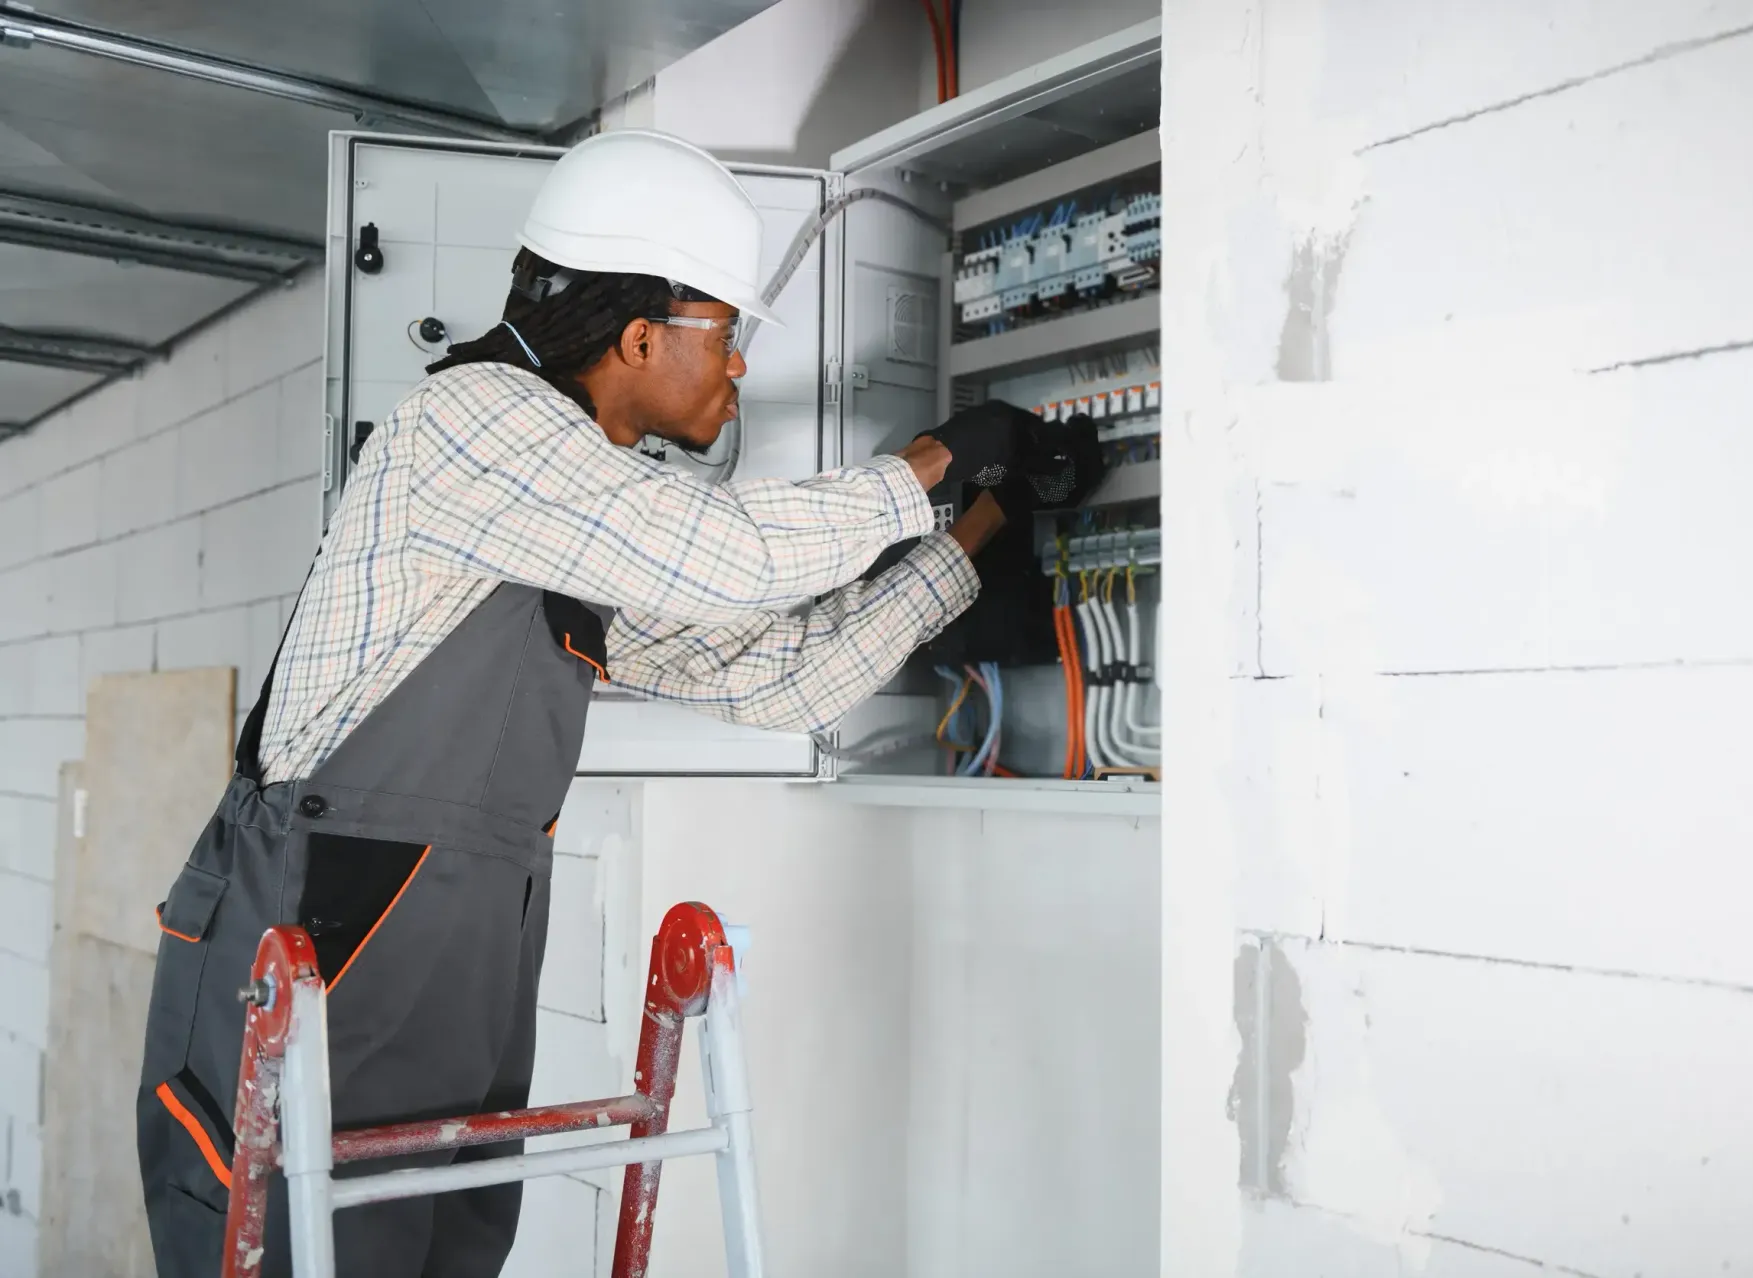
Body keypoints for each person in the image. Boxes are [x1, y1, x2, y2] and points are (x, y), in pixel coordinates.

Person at [135, 129, 1076, 1278]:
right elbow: (722, 552)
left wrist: (973, 534)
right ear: (640, 335)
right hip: (310, 930)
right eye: (728, 337)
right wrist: (926, 469)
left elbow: (781, 675)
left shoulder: (572, 523)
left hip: (453, 956)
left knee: (442, 1246)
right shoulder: (469, 425)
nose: (737, 372)